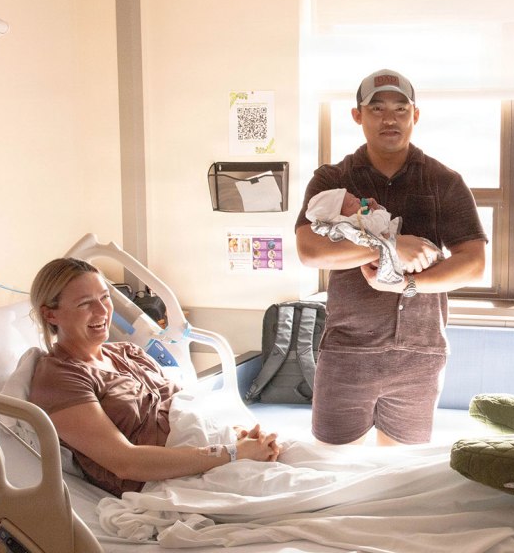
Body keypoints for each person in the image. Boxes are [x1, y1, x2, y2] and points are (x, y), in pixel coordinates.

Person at [295, 68, 487, 446]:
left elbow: (474, 262)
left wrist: (411, 281)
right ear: (357, 115)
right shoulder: (331, 181)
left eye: (401, 109)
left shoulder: (443, 181)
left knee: (399, 477)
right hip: (347, 351)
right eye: (377, 108)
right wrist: (388, 246)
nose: (390, 119)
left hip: (420, 352)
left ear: (415, 115)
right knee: (332, 468)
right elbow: (310, 251)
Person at [27, 257, 280, 497]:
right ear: (51, 314)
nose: (102, 311)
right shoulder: (60, 379)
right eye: (85, 303)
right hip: (166, 480)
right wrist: (232, 453)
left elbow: (183, 410)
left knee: (300, 463)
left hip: (209, 453)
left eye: (105, 297)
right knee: (295, 495)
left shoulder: (128, 352)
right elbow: (125, 462)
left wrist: (237, 435)